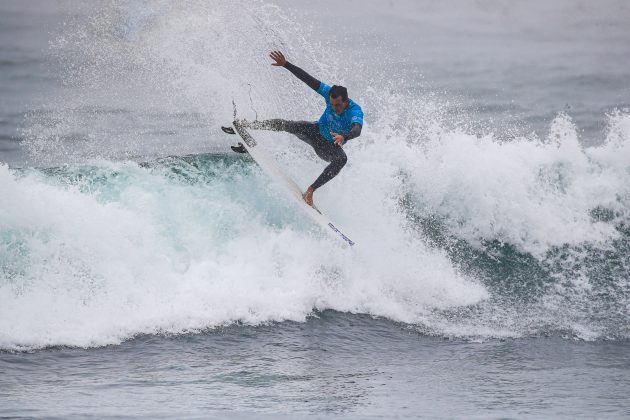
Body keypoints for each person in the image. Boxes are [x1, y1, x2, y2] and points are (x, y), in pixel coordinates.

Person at [243, 51, 364, 206]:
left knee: (342, 159)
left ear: (346, 101)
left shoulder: (355, 111)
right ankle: (249, 125)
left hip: (329, 146)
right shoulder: (329, 93)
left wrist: (344, 137)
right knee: (289, 125)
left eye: (338, 105)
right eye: (332, 105)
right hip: (315, 131)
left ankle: (311, 190)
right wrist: (286, 65)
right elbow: (308, 80)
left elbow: (357, 129)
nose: (334, 108)